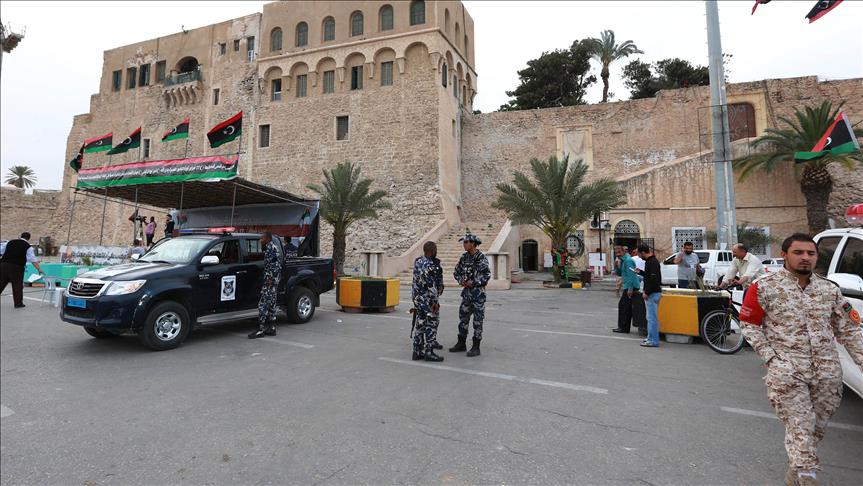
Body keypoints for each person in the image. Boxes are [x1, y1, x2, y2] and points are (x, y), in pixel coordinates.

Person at [739, 233, 863, 486]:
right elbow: (749, 325)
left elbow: (849, 331)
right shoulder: (764, 287)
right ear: (784, 255)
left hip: (827, 373)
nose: (805, 257)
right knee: (801, 424)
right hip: (788, 371)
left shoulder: (830, 290)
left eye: (810, 253)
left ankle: (796, 469)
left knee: (814, 428)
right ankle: (807, 476)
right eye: (798, 252)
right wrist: (772, 358)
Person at [450, 233, 491, 357]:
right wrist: (461, 280)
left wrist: (474, 283)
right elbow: (456, 271)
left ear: (473, 243)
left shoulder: (481, 258)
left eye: (466, 242)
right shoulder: (464, 257)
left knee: (477, 321)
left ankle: (476, 347)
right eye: (463, 242)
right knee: (463, 319)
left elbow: (486, 276)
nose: (464, 244)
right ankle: (461, 343)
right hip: (467, 295)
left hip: (478, 295)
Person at [411, 242, 444, 361]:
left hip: (418, 299)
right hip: (427, 300)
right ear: (433, 251)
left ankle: (417, 351)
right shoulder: (429, 265)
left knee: (420, 324)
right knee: (432, 324)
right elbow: (431, 285)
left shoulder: (418, 262)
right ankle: (429, 352)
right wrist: (435, 302)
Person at [249, 231, 282, 339]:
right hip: (273, 281)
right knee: (272, 303)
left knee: (262, 304)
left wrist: (269, 280)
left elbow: (274, 267)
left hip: (270, 281)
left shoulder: (271, 249)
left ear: (267, 239)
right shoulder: (271, 247)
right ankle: (272, 328)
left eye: (262, 238)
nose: (260, 240)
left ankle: (260, 329)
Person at [0, 232, 44, 308]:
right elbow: (33, 260)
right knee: (17, 285)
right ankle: (18, 304)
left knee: (1, 282)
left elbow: (1, 251)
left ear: (20, 236)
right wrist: (39, 269)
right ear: (28, 238)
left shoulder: (9, 242)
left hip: (3, 264)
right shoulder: (28, 246)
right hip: (16, 266)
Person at [612, 246, 646, 335]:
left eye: (619, 252)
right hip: (627, 285)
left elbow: (631, 274)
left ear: (623, 251)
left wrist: (630, 289)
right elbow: (620, 273)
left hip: (631, 286)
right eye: (616, 253)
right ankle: (623, 327)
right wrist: (616, 266)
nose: (617, 255)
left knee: (625, 307)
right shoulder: (623, 261)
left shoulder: (628, 260)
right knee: (624, 306)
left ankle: (624, 328)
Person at [637, 244, 662, 348]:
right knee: (650, 317)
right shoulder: (650, 261)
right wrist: (641, 272)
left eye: (639, 254)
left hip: (653, 293)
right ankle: (650, 337)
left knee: (652, 318)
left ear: (643, 253)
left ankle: (653, 340)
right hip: (652, 293)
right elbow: (649, 276)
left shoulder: (652, 262)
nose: (639, 257)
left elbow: (655, 280)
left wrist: (647, 292)